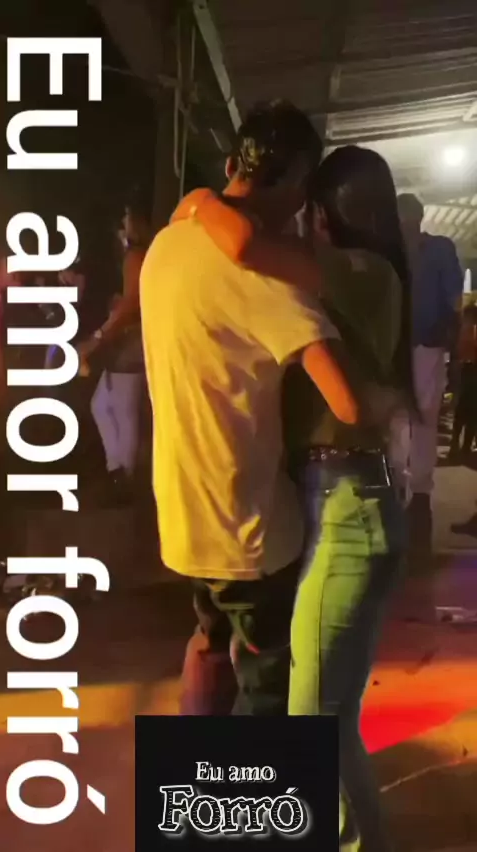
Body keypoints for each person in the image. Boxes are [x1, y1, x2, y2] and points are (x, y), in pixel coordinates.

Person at [172, 145, 411, 852]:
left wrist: (203, 201)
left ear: (327, 213)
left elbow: (245, 246)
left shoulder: (359, 272)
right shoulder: (363, 273)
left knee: (318, 722)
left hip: (349, 508)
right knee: (319, 714)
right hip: (332, 499)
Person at [140, 100, 366, 718]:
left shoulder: (166, 244)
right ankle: (242, 784)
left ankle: (192, 778)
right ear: (295, 182)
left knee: (210, 644)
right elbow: (348, 404)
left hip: (183, 510)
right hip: (247, 526)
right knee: (265, 679)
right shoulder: (265, 276)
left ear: (232, 165)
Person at [389, 194, 463, 520]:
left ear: (418, 218)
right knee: (400, 420)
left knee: (418, 420)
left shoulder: (438, 249)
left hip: (424, 346)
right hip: (396, 347)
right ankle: (402, 490)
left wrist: (451, 344)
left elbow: (455, 304)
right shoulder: (391, 253)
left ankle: (417, 494)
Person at [79, 201, 150, 501]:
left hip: (131, 342)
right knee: (105, 404)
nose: (123, 226)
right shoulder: (135, 255)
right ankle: (117, 471)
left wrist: (100, 335)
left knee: (121, 406)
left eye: (127, 219)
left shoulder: (135, 255)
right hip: (127, 341)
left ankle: (124, 478)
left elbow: (132, 303)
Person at [449, 301, 477, 458]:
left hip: (466, 371)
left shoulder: (465, 330)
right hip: (470, 371)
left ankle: (457, 445)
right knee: (470, 412)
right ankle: (464, 447)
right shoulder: (469, 330)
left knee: (463, 411)